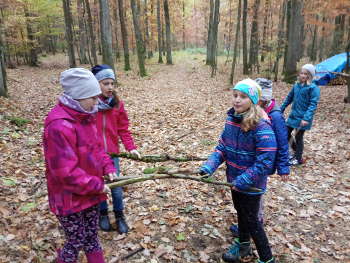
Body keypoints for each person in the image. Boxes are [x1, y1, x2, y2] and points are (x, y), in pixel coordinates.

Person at [43, 68, 117, 263]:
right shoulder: (59, 125)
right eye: (92, 97)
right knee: (76, 241)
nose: (97, 101)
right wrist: (97, 185)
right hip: (69, 200)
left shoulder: (86, 116)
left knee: (92, 237)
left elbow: (97, 149)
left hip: (90, 194)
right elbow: (65, 173)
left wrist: (108, 168)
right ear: (78, 96)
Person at [199, 79, 277, 263]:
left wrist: (243, 180)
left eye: (243, 96)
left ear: (254, 100)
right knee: (241, 213)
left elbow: (265, 161)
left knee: (252, 221)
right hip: (234, 181)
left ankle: (267, 258)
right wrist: (209, 166)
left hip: (251, 185)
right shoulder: (232, 120)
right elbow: (222, 147)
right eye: (235, 95)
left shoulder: (261, 126)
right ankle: (243, 246)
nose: (237, 100)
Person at [229, 78, 290, 237]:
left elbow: (282, 142)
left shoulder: (274, 116)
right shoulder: (249, 113)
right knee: (247, 199)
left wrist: (283, 167)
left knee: (256, 196)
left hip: (264, 161)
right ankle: (247, 225)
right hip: (254, 159)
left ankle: (255, 222)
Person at [92, 64, 140, 234]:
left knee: (116, 186)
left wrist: (131, 148)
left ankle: (119, 215)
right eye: (105, 83)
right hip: (93, 154)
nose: (110, 87)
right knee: (99, 185)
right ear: (96, 84)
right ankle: (103, 213)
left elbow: (123, 129)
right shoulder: (89, 105)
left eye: (112, 83)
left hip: (112, 155)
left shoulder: (118, 105)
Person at [280, 64, 320, 166]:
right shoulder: (296, 85)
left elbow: (313, 104)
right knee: (286, 134)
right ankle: (295, 151)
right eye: (301, 73)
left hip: (303, 118)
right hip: (293, 116)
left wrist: (306, 118)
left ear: (310, 75)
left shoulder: (313, 88)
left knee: (298, 137)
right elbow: (289, 98)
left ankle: (298, 158)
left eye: (305, 74)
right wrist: (281, 109)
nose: (302, 75)